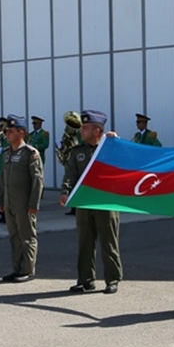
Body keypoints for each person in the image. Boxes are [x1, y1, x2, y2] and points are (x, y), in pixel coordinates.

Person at [60, 110, 122, 294]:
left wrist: (115, 141)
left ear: (97, 131)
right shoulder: (77, 152)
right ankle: (86, 280)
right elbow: (70, 174)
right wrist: (65, 192)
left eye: (85, 128)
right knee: (85, 242)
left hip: (106, 202)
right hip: (84, 203)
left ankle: (112, 279)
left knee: (108, 242)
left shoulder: (109, 149)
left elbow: (124, 163)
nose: (81, 131)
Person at [0, 115, 44, 283]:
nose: (6, 134)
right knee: (14, 237)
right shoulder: (6, 153)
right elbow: (4, 179)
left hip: (24, 203)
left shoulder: (30, 153)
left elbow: (37, 180)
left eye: (10, 131)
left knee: (27, 237)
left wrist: (34, 204)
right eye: (6, 131)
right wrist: (0, 200)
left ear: (21, 132)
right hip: (10, 202)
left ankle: (28, 270)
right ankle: (16, 268)